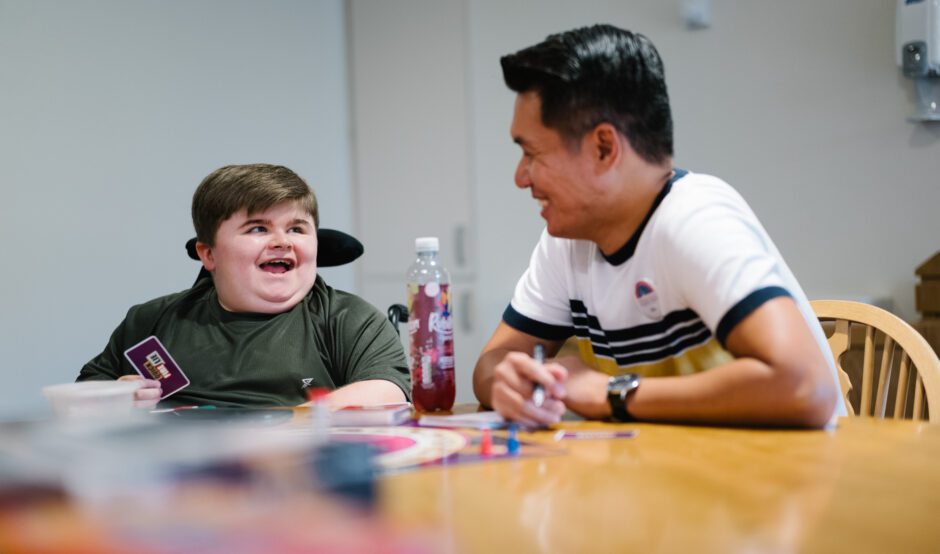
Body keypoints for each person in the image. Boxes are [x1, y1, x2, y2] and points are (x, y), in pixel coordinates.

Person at [472, 24, 844, 428]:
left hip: (782, 478)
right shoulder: (567, 241)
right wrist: (505, 384)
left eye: (531, 153)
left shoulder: (695, 219)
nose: (520, 177)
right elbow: (493, 362)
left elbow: (807, 387)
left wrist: (610, 393)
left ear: (604, 148)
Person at [79, 163, 409, 409]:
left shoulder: (348, 319)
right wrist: (118, 395)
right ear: (208, 253)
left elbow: (386, 392)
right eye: (257, 229)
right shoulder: (151, 320)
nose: (283, 242)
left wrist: (273, 434)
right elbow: (84, 396)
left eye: (297, 229)